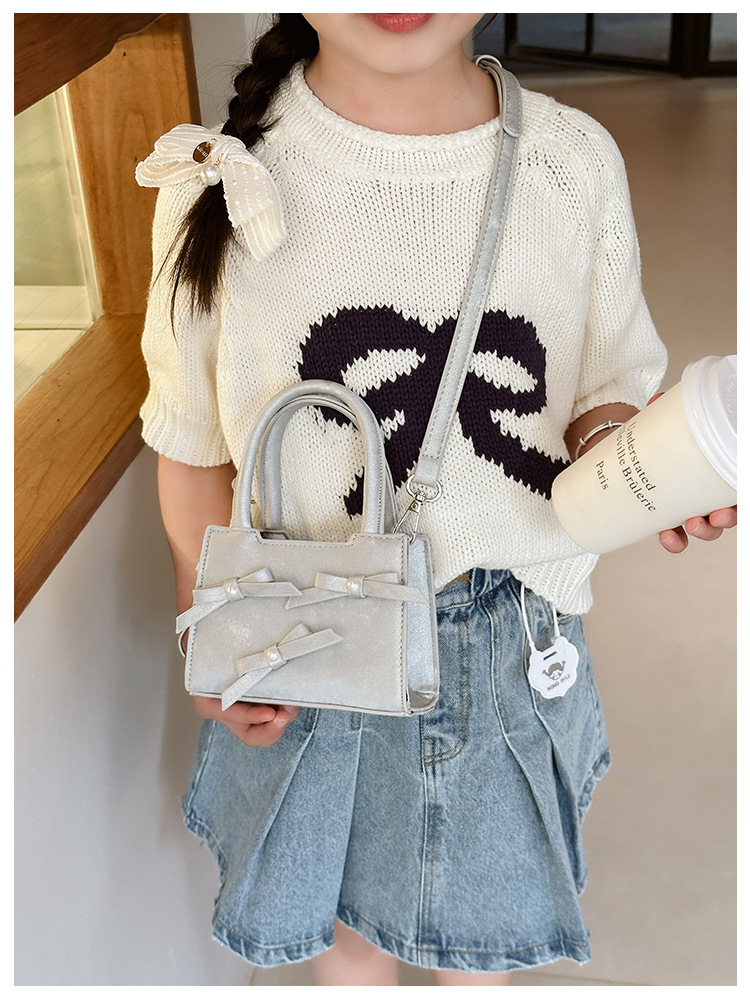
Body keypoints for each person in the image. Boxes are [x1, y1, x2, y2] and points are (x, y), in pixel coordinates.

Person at [137, 13, 736, 987]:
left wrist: (646, 469)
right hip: (308, 633)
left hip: (507, 641)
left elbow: (600, 391)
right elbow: (192, 444)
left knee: (478, 947)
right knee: (349, 940)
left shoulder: (573, 164)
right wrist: (211, 631)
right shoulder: (217, 180)